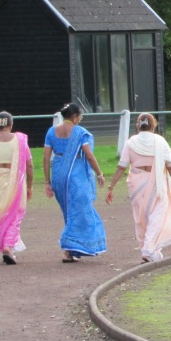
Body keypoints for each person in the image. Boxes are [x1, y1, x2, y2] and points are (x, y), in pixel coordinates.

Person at [106, 112, 171, 263]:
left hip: (136, 182)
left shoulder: (131, 142)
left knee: (141, 217)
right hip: (157, 182)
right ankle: (148, 249)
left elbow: (121, 166)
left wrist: (111, 187)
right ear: (154, 126)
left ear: (138, 126)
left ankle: (152, 250)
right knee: (157, 216)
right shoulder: (159, 141)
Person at [43, 102, 107, 261]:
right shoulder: (80, 132)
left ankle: (73, 251)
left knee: (69, 211)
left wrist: (47, 181)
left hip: (58, 174)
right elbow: (89, 156)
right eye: (80, 116)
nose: (81, 119)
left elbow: (45, 158)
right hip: (76, 175)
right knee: (80, 212)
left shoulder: (51, 132)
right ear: (74, 116)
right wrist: (99, 173)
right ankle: (67, 247)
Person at [0, 111, 33, 264]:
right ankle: (8, 247)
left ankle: (4, 244)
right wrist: (29, 186)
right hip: (15, 180)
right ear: (11, 125)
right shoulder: (20, 140)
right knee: (15, 213)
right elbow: (29, 165)